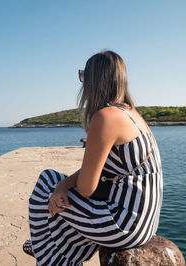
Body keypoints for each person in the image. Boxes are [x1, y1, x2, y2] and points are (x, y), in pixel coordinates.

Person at [26, 51, 163, 265]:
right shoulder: (132, 114)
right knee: (56, 189)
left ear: (93, 80)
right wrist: (63, 184)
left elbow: (86, 188)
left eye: (83, 76)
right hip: (145, 222)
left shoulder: (105, 117)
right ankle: (52, 252)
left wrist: (60, 188)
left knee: (45, 184)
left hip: (124, 225)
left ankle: (45, 253)